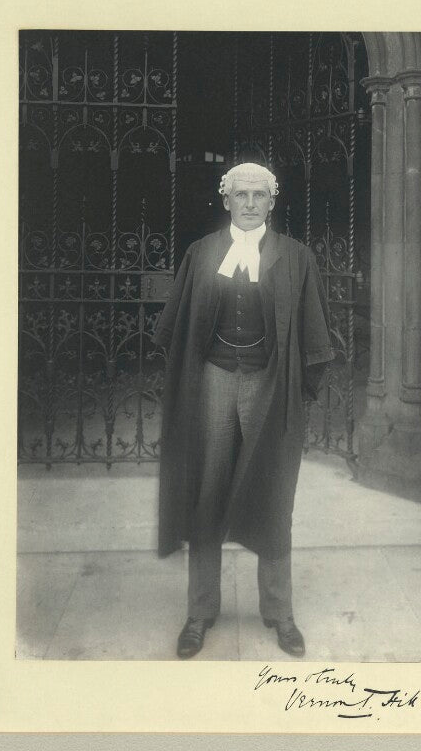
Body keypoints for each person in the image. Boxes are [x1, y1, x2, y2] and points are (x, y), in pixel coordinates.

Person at [152, 162, 334, 659]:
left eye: (258, 195)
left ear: (272, 202)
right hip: (212, 379)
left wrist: (296, 391)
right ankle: (199, 611)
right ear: (226, 200)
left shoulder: (295, 257)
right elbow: (177, 329)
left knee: (273, 492)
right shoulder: (202, 253)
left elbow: (314, 332)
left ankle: (280, 612)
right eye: (240, 195)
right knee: (206, 490)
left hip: (269, 383)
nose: (249, 203)